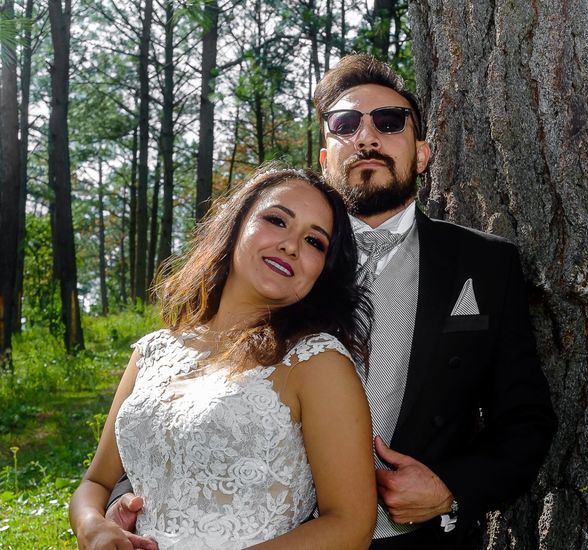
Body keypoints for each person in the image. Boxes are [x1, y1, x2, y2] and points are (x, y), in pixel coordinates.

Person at [107, 53, 557, 549]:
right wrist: (127, 497)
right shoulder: (283, 263)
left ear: (422, 154)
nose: (367, 137)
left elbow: (525, 418)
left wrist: (452, 489)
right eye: (345, 124)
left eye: (389, 122)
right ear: (325, 157)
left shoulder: (485, 265)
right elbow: (187, 396)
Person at [69, 166, 377, 550]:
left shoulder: (316, 362)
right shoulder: (152, 351)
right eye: (277, 220)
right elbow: (96, 483)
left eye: (315, 241)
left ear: (322, 271)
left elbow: (352, 525)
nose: (291, 245)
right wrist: (92, 527)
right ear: (236, 223)